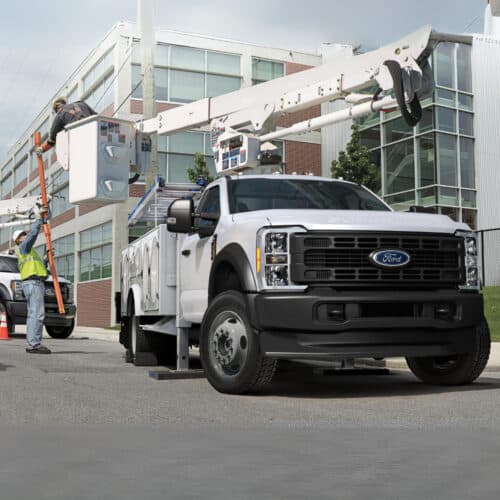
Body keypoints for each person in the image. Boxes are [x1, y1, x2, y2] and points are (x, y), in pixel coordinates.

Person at [12, 205, 51, 354]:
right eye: (23, 235)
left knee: (33, 314)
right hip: (33, 284)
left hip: (34, 283)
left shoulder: (29, 252)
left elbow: (41, 269)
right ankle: (34, 344)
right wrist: (38, 219)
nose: (25, 235)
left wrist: (46, 260)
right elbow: (33, 234)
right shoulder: (23, 247)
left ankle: (32, 343)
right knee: (37, 314)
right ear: (18, 240)